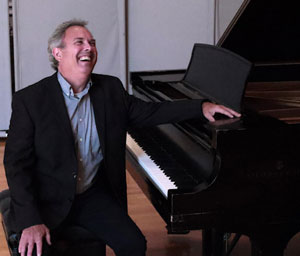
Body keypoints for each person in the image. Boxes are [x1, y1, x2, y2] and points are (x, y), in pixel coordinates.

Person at [4, 19, 240, 256]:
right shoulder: (30, 100)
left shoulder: (110, 90)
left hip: (90, 195)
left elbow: (151, 112)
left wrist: (200, 107)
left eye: (92, 43)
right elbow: (16, 164)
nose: (89, 47)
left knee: (134, 244)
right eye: (79, 42)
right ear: (58, 53)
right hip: (46, 199)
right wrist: (29, 220)